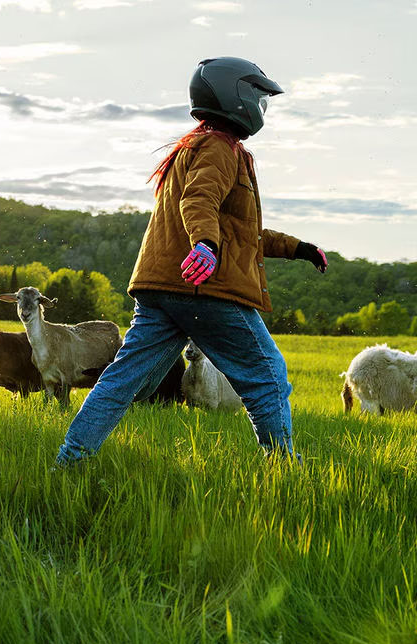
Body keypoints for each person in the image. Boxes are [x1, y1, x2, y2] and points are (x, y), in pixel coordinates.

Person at [54, 56, 328, 467]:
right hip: (203, 287)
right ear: (236, 97)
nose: (263, 106)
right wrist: (205, 246)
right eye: (258, 96)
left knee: (124, 380)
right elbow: (198, 202)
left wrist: (297, 248)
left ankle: (69, 460)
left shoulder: (191, 148)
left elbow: (237, 231)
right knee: (268, 375)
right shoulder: (220, 148)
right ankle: (283, 464)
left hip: (161, 288)